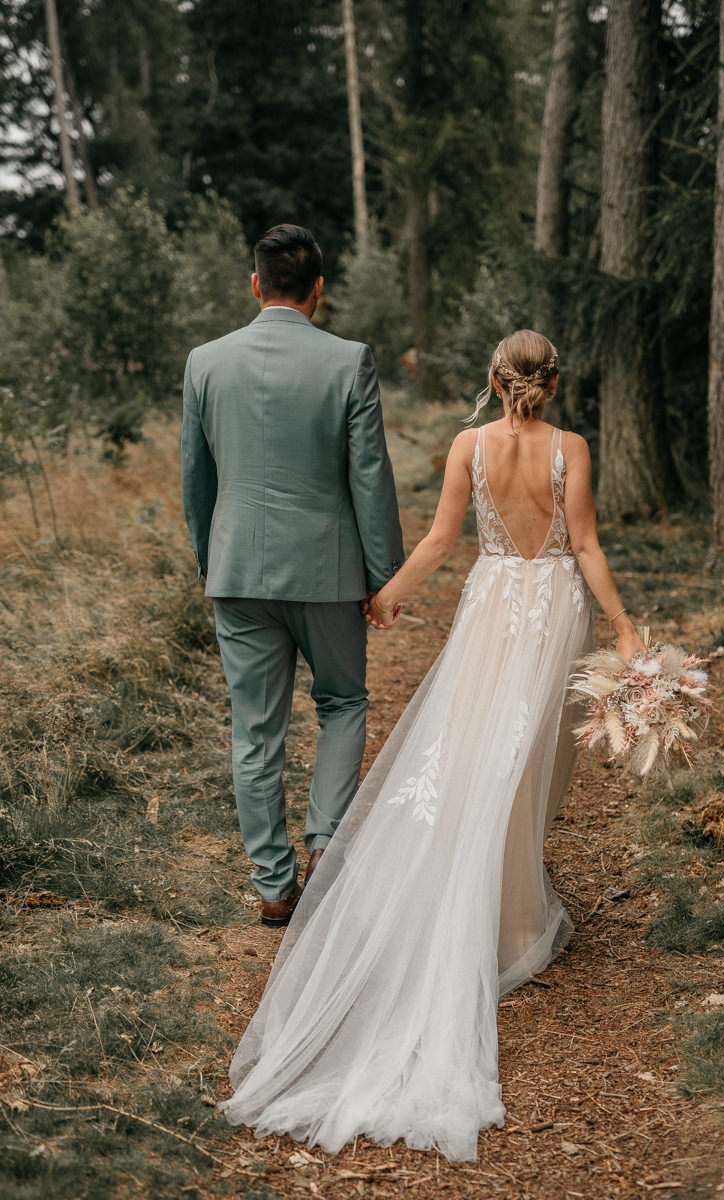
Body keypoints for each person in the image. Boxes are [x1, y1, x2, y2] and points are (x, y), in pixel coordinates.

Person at [217, 329, 646, 1160]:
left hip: (492, 606)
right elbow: (586, 545)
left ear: (493, 379)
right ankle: (501, 920)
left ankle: (502, 908)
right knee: (519, 767)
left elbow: (440, 543)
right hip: (551, 610)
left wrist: (387, 598)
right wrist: (624, 629)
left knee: (475, 756)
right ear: (553, 384)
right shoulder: (571, 449)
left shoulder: (467, 445)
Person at [181, 223, 404, 928]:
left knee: (255, 730)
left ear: (255, 285)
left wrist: (210, 561)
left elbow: (196, 479)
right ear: (319, 291)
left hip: (238, 571)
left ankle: (273, 886)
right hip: (330, 574)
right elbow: (369, 476)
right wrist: (382, 576)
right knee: (342, 704)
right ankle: (327, 848)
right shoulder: (350, 361)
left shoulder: (205, 362)